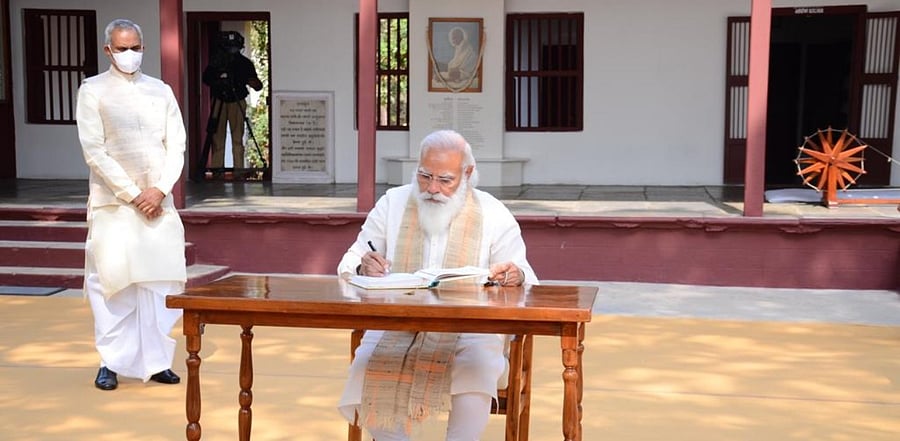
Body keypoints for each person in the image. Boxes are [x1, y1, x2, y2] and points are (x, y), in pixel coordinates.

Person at [336, 130, 539, 441]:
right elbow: (350, 261)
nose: (432, 189)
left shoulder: (493, 212)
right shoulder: (393, 202)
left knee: (478, 364)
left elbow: (526, 276)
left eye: (445, 180)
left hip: (470, 328)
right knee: (366, 365)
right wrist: (365, 264)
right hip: (396, 324)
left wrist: (515, 275)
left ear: (468, 174)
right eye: (424, 176)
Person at [75, 18, 187, 391]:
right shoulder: (93, 91)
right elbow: (95, 151)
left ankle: (156, 361)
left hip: (158, 203)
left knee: (158, 285)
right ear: (109, 50)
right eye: (122, 48)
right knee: (112, 284)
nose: (130, 55)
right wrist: (133, 193)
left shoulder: (161, 90)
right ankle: (111, 361)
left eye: (136, 48)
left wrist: (158, 189)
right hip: (115, 204)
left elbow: (177, 145)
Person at [202, 31, 263, 171]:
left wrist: (251, 82)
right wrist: (219, 81)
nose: (232, 50)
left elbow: (257, 85)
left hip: (237, 100)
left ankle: (239, 171)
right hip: (219, 99)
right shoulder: (216, 62)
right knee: (218, 138)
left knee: (237, 138)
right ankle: (217, 170)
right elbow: (206, 78)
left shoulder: (245, 64)